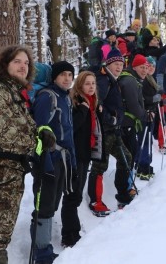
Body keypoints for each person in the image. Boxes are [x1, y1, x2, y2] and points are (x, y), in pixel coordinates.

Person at [0, 45, 55, 264]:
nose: (23, 66)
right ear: (5, 65)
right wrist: (37, 140)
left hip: (7, 171)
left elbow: (22, 128)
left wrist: (40, 133)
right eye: (17, 62)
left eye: (26, 63)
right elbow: (7, 135)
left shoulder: (14, 92)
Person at [30, 61, 77, 261]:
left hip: (62, 160)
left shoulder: (65, 97)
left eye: (70, 74)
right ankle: (42, 252)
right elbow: (38, 130)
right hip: (48, 160)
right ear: (54, 77)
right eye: (63, 74)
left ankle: (43, 247)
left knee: (52, 203)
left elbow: (69, 133)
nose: (67, 78)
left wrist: (73, 163)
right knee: (45, 204)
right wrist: (44, 162)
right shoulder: (47, 97)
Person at [87, 48, 135, 215]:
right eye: (115, 64)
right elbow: (97, 104)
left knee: (126, 158)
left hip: (113, 130)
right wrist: (110, 118)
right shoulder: (103, 80)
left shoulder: (111, 79)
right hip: (104, 130)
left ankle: (122, 195)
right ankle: (96, 202)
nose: (119, 67)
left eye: (121, 64)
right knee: (100, 165)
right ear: (108, 64)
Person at [66, 71, 103, 245]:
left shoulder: (92, 103)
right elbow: (72, 127)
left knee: (77, 193)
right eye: (87, 83)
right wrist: (83, 110)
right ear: (79, 85)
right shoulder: (77, 103)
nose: (91, 87)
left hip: (85, 154)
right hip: (75, 155)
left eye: (93, 83)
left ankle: (72, 231)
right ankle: (70, 235)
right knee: (73, 195)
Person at [118, 54, 154, 191]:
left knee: (130, 156)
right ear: (134, 67)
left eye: (146, 67)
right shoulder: (130, 81)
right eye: (141, 67)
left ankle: (127, 187)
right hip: (126, 124)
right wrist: (145, 115)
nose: (144, 70)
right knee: (128, 157)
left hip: (128, 123)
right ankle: (125, 189)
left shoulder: (133, 79)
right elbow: (133, 106)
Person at [137, 56, 161, 180]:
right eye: (148, 66)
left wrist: (160, 100)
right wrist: (154, 99)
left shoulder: (151, 79)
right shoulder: (144, 80)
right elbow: (142, 98)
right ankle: (142, 166)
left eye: (153, 66)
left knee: (148, 140)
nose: (151, 68)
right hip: (145, 114)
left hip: (151, 114)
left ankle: (146, 165)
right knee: (144, 141)